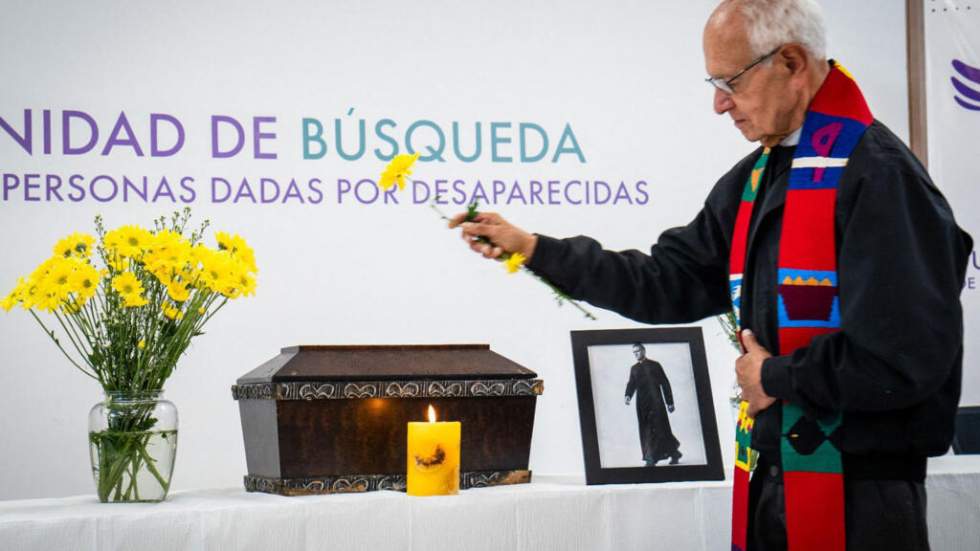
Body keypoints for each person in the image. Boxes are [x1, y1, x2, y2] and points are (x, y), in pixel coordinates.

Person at [449, 1, 972, 550]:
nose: (719, 104)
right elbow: (663, 282)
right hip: (774, 478)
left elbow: (905, 358)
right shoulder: (757, 179)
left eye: (731, 82)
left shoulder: (882, 179)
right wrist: (534, 249)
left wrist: (776, 379)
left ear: (792, 62)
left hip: (861, 495)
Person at [624, 343, 682, 466]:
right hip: (641, 404)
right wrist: (628, 395)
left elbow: (665, 383)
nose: (636, 354)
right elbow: (631, 384)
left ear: (644, 351)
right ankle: (674, 453)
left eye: (638, 351)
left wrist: (669, 402)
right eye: (634, 352)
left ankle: (651, 458)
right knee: (647, 429)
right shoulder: (634, 368)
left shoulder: (655, 365)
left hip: (656, 402)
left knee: (659, 428)